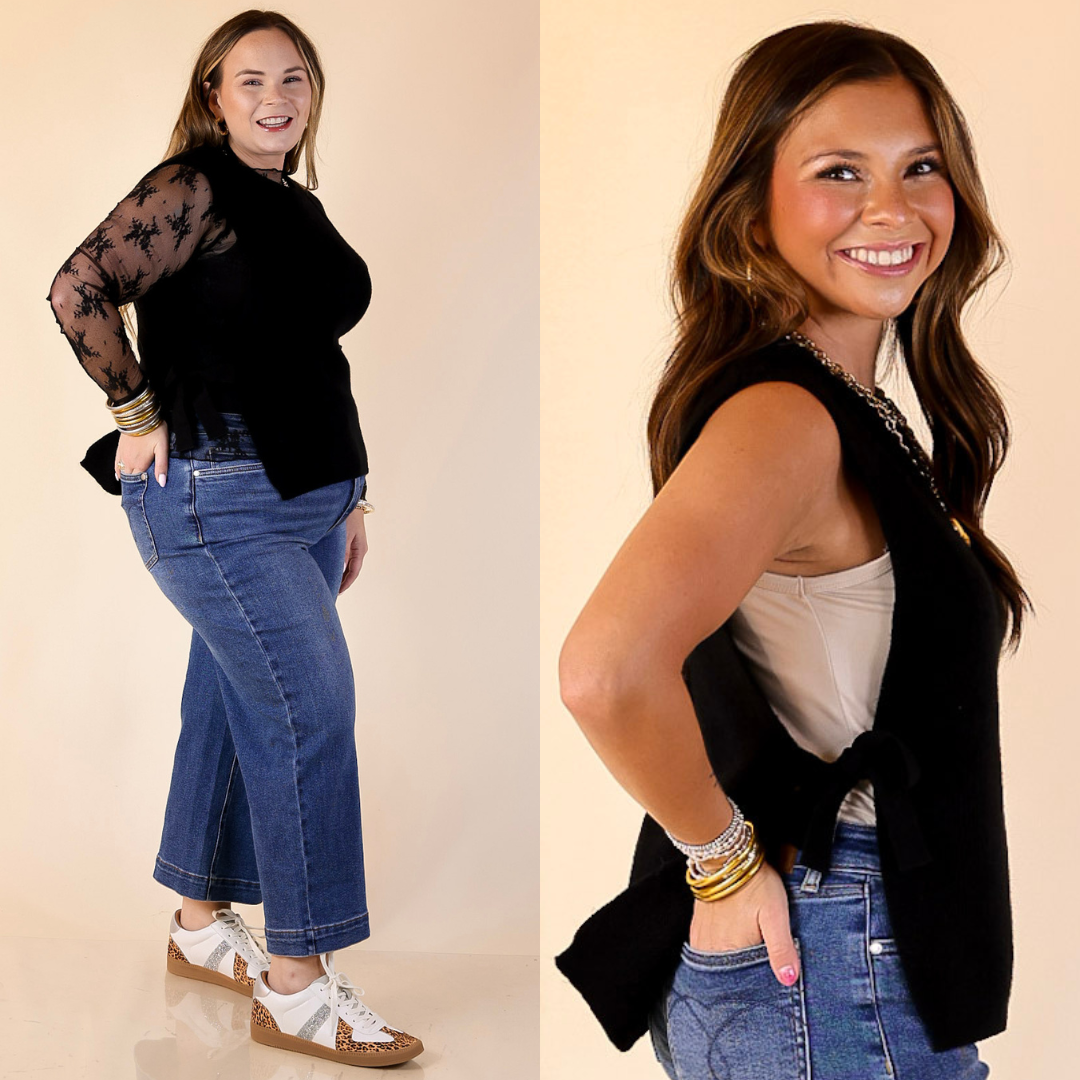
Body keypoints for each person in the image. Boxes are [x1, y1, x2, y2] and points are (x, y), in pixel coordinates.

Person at [555, 21, 1027, 1080]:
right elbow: (604, 672)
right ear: (752, 207)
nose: (892, 209)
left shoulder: (845, 409)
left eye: (921, 169)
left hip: (851, 946)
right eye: (837, 173)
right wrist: (723, 868)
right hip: (833, 946)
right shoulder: (787, 419)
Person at [46, 10, 423, 1069]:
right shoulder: (192, 187)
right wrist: (136, 413)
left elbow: (307, 361)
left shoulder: (287, 202)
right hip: (217, 496)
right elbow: (77, 290)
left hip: (305, 497)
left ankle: (201, 925)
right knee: (307, 710)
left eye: (293, 78)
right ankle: (297, 987)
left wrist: (351, 495)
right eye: (249, 79)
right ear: (213, 94)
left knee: (229, 694)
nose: (274, 97)